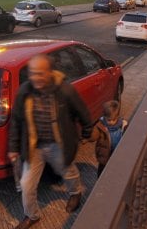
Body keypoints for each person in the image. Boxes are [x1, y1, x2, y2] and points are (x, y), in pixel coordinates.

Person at [8, 54, 93, 229]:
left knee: (68, 171)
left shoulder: (65, 90)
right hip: (34, 147)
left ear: (50, 72)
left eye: (40, 73)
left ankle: (75, 192)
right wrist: (13, 147)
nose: (35, 78)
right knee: (26, 184)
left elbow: (83, 113)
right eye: (32, 73)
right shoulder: (25, 91)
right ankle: (31, 215)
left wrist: (86, 133)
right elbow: (16, 120)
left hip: (58, 144)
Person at [89, 100, 128, 177]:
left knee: (115, 170)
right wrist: (88, 135)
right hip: (104, 154)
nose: (111, 122)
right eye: (108, 120)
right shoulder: (100, 125)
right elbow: (93, 136)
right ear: (104, 117)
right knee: (102, 171)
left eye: (113, 120)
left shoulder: (123, 125)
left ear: (117, 117)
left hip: (117, 153)